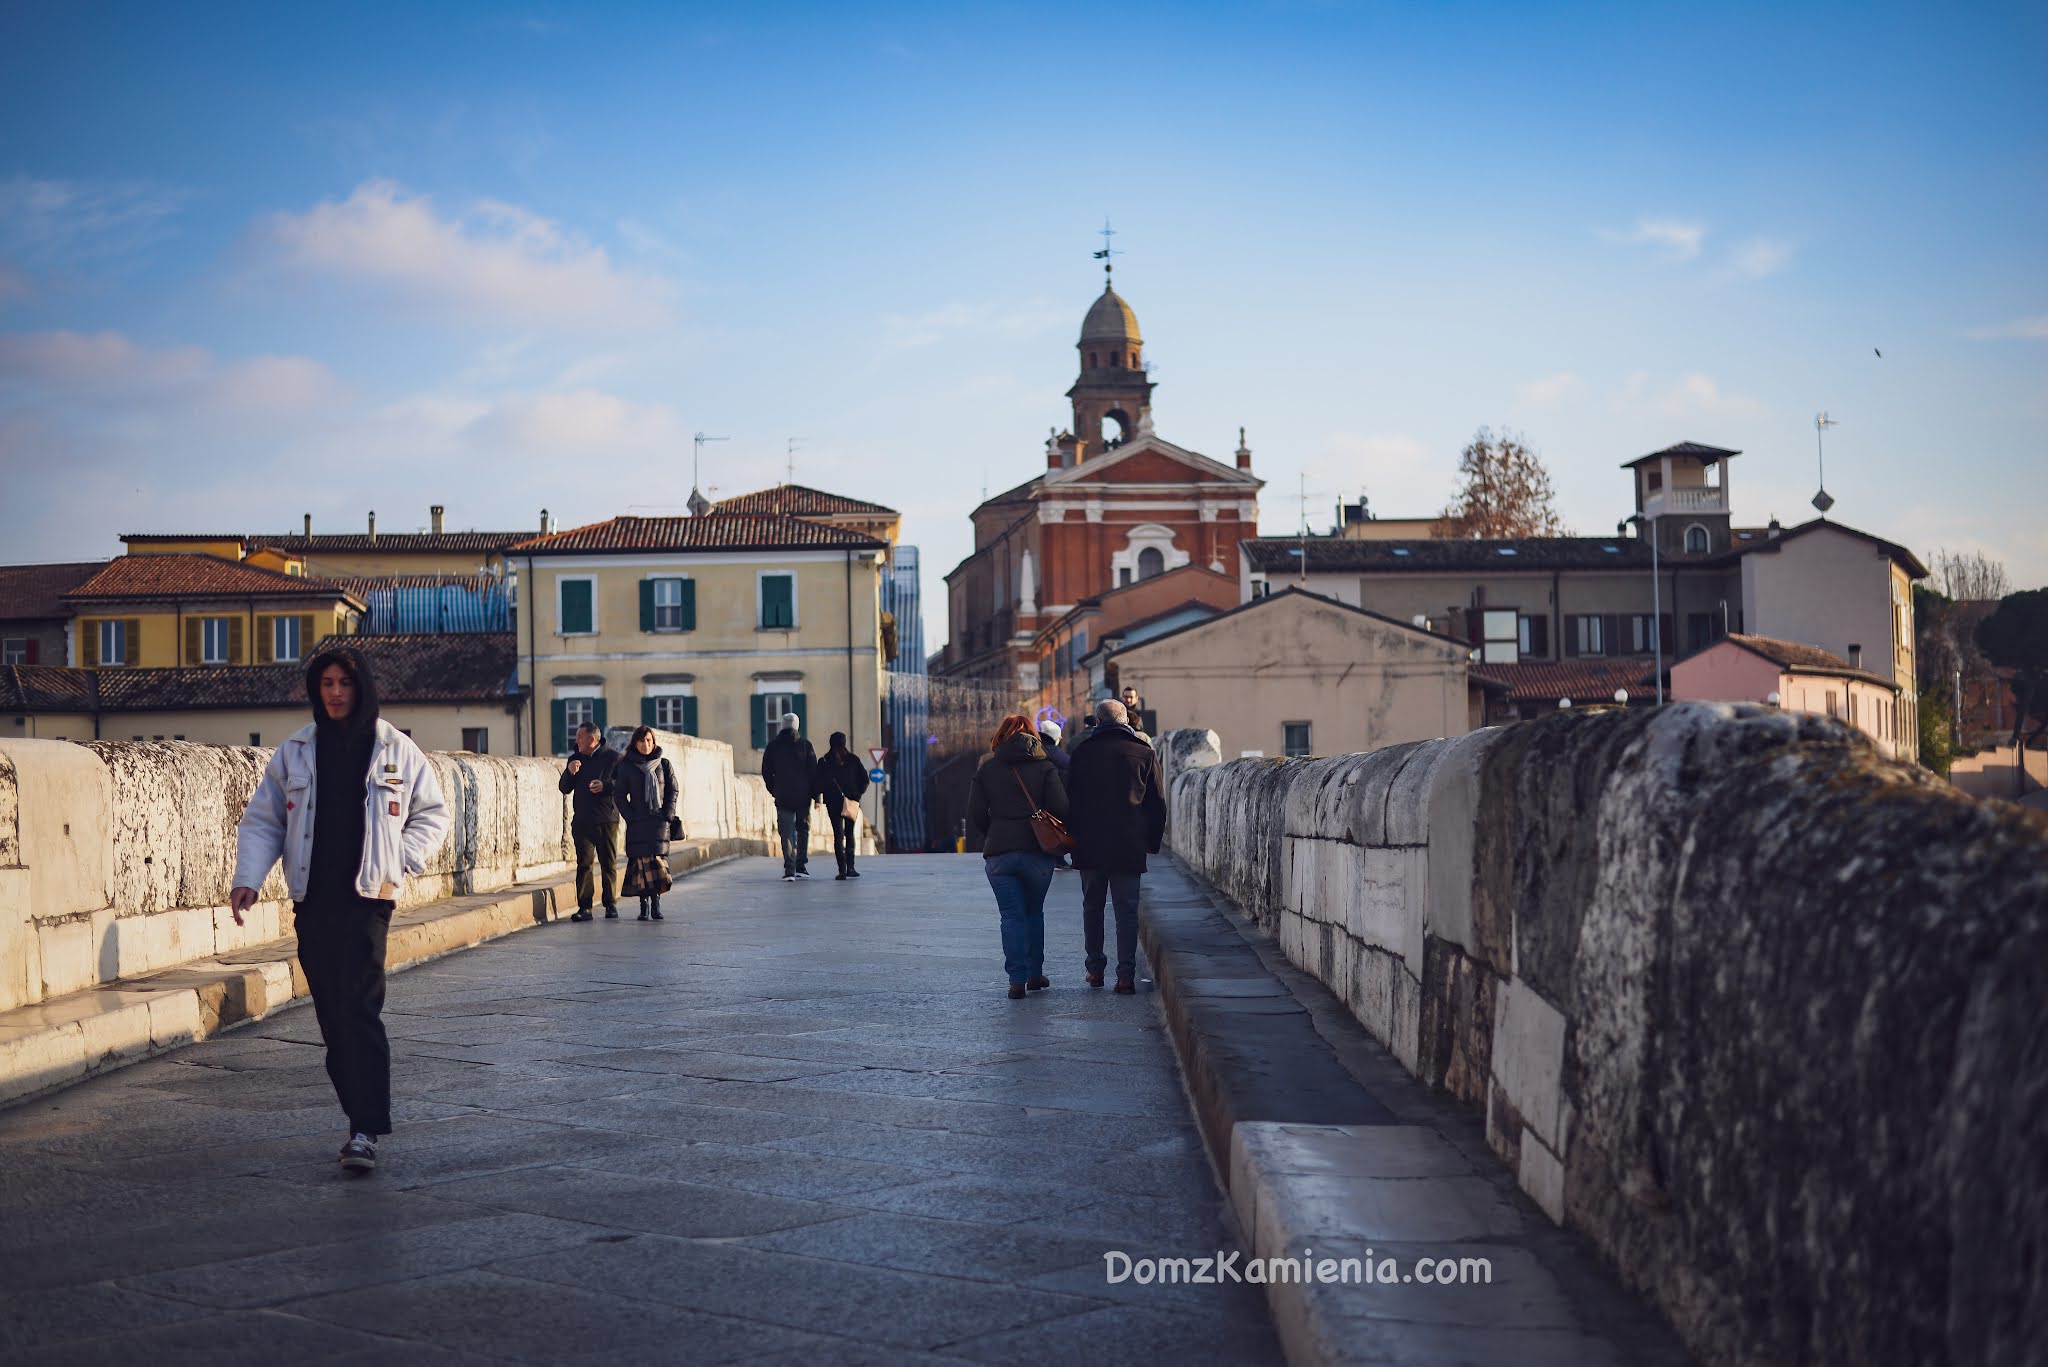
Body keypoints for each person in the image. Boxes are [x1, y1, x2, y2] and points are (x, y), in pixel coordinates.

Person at [229, 647, 449, 1175]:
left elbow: (432, 815)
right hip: (314, 899)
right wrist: (249, 879)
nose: (334, 693)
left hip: (368, 899)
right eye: (325, 683)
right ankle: (358, 1115)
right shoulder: (296, 752)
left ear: (361, 687)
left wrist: (401, 859)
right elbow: (264, 821)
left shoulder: (396, 750)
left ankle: (365, 1129)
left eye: (344, 683)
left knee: (359, 1008)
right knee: (331, 1014)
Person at [1066, 698, 1166, 995]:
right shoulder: (1144, 754)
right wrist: (1152, 842)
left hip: (1089, 843)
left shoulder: (1082, 753)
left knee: (1092, 908)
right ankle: (1125, 977)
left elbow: (1069, 801)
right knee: (1126, 911)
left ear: (1097, 722)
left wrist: (1072, 839)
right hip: (1129, 843)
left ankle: (1095, 970)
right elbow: (1157, 805)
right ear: (1126, 722)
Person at [966, 714, 1069, 999]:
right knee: (1034, 912)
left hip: (1000, 853)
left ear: (1001, 736)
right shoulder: (1046, 767)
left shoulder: (988, 768)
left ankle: (1016, 980)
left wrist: (994, 831)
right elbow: (1061, 807)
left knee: (1010, 916)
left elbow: (975, 812)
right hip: (1038, 852)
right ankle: (1035, 974)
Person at [559, 722, 623, 920]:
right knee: (584, 864)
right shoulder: (575, 759)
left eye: (579, 737)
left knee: (608, 864)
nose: (575, 740)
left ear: (592, 739)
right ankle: (584, 907)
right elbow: (564, 788)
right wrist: (569, 772)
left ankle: (610, 904)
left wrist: (604, 786)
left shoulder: (614, 758)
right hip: (582, 821)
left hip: (607, 819)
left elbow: (623, 785)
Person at [615, 725, 678, 921]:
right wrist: (630, 816)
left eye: (649, 740)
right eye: (642, 741)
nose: (646, 744)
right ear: (635, 743)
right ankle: (644, 907)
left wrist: (668, 814)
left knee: (657, 864)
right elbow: (619, 795)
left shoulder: (664, 764)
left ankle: (656, 904)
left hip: (659, 822)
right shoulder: (626, 766)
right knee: (640, 866)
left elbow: (672, 790)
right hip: (638, 822)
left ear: (654, 742)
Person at [760, 712, 820, 881]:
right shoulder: (806, 745)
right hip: (803, 796)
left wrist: (775, 790)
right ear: (797, 726)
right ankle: (801, 866)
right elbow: (814, 773)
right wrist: (816, 796)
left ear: (782, 726)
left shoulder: (772, 747)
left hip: (783, 797)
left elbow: (766, 772)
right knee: (802, 830)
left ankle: (789, 870)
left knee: (786, 832)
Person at [817, 732, 870, 879]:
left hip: (833, 803)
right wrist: (857, 795)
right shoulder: (853, 760)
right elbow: (865, 780)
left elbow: (818, 782)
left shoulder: (824, 761)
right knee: (849, 833)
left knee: (838, 836)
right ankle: (851, 868)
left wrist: (818, 797)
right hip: (851, 802)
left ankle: (841, 870)